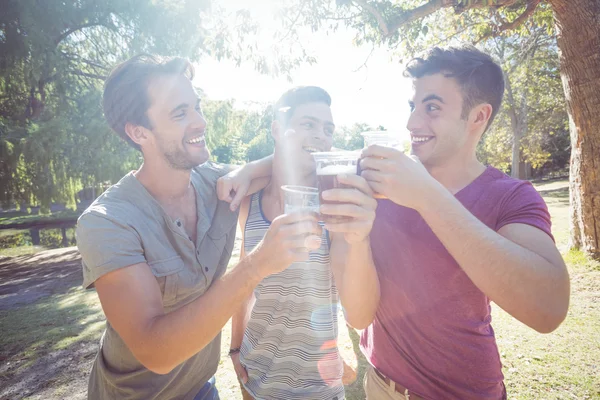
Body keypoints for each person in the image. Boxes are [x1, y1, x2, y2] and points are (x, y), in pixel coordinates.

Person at [75, 54, 322, 400]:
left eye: (197, 107)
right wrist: (255, 266)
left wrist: (248, 170)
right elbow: (156, 352)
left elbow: (288, 161)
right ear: (138, 132)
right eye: (180, 113)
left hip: (201, 390)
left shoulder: (219, 185)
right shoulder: (106, 222)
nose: (200, 122)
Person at [357, 46, 570, 399]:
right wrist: (253, 169)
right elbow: (310, 156)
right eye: (413, 106)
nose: (412, 123)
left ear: (478, 117)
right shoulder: (384, 178)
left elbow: (548, 309)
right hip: (379, 384)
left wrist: (427, 196)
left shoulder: (510, 196)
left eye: (432, 107)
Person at [228, 86, 380, 400]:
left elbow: (358, 313)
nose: (322, 136)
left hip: (317, 387)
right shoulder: (250, 202)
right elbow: (244, 285)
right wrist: (235, 347)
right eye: (308, 124)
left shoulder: (334, 207)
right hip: (255, 378)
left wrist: (358, 239)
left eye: (328, 129)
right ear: (277, 130)